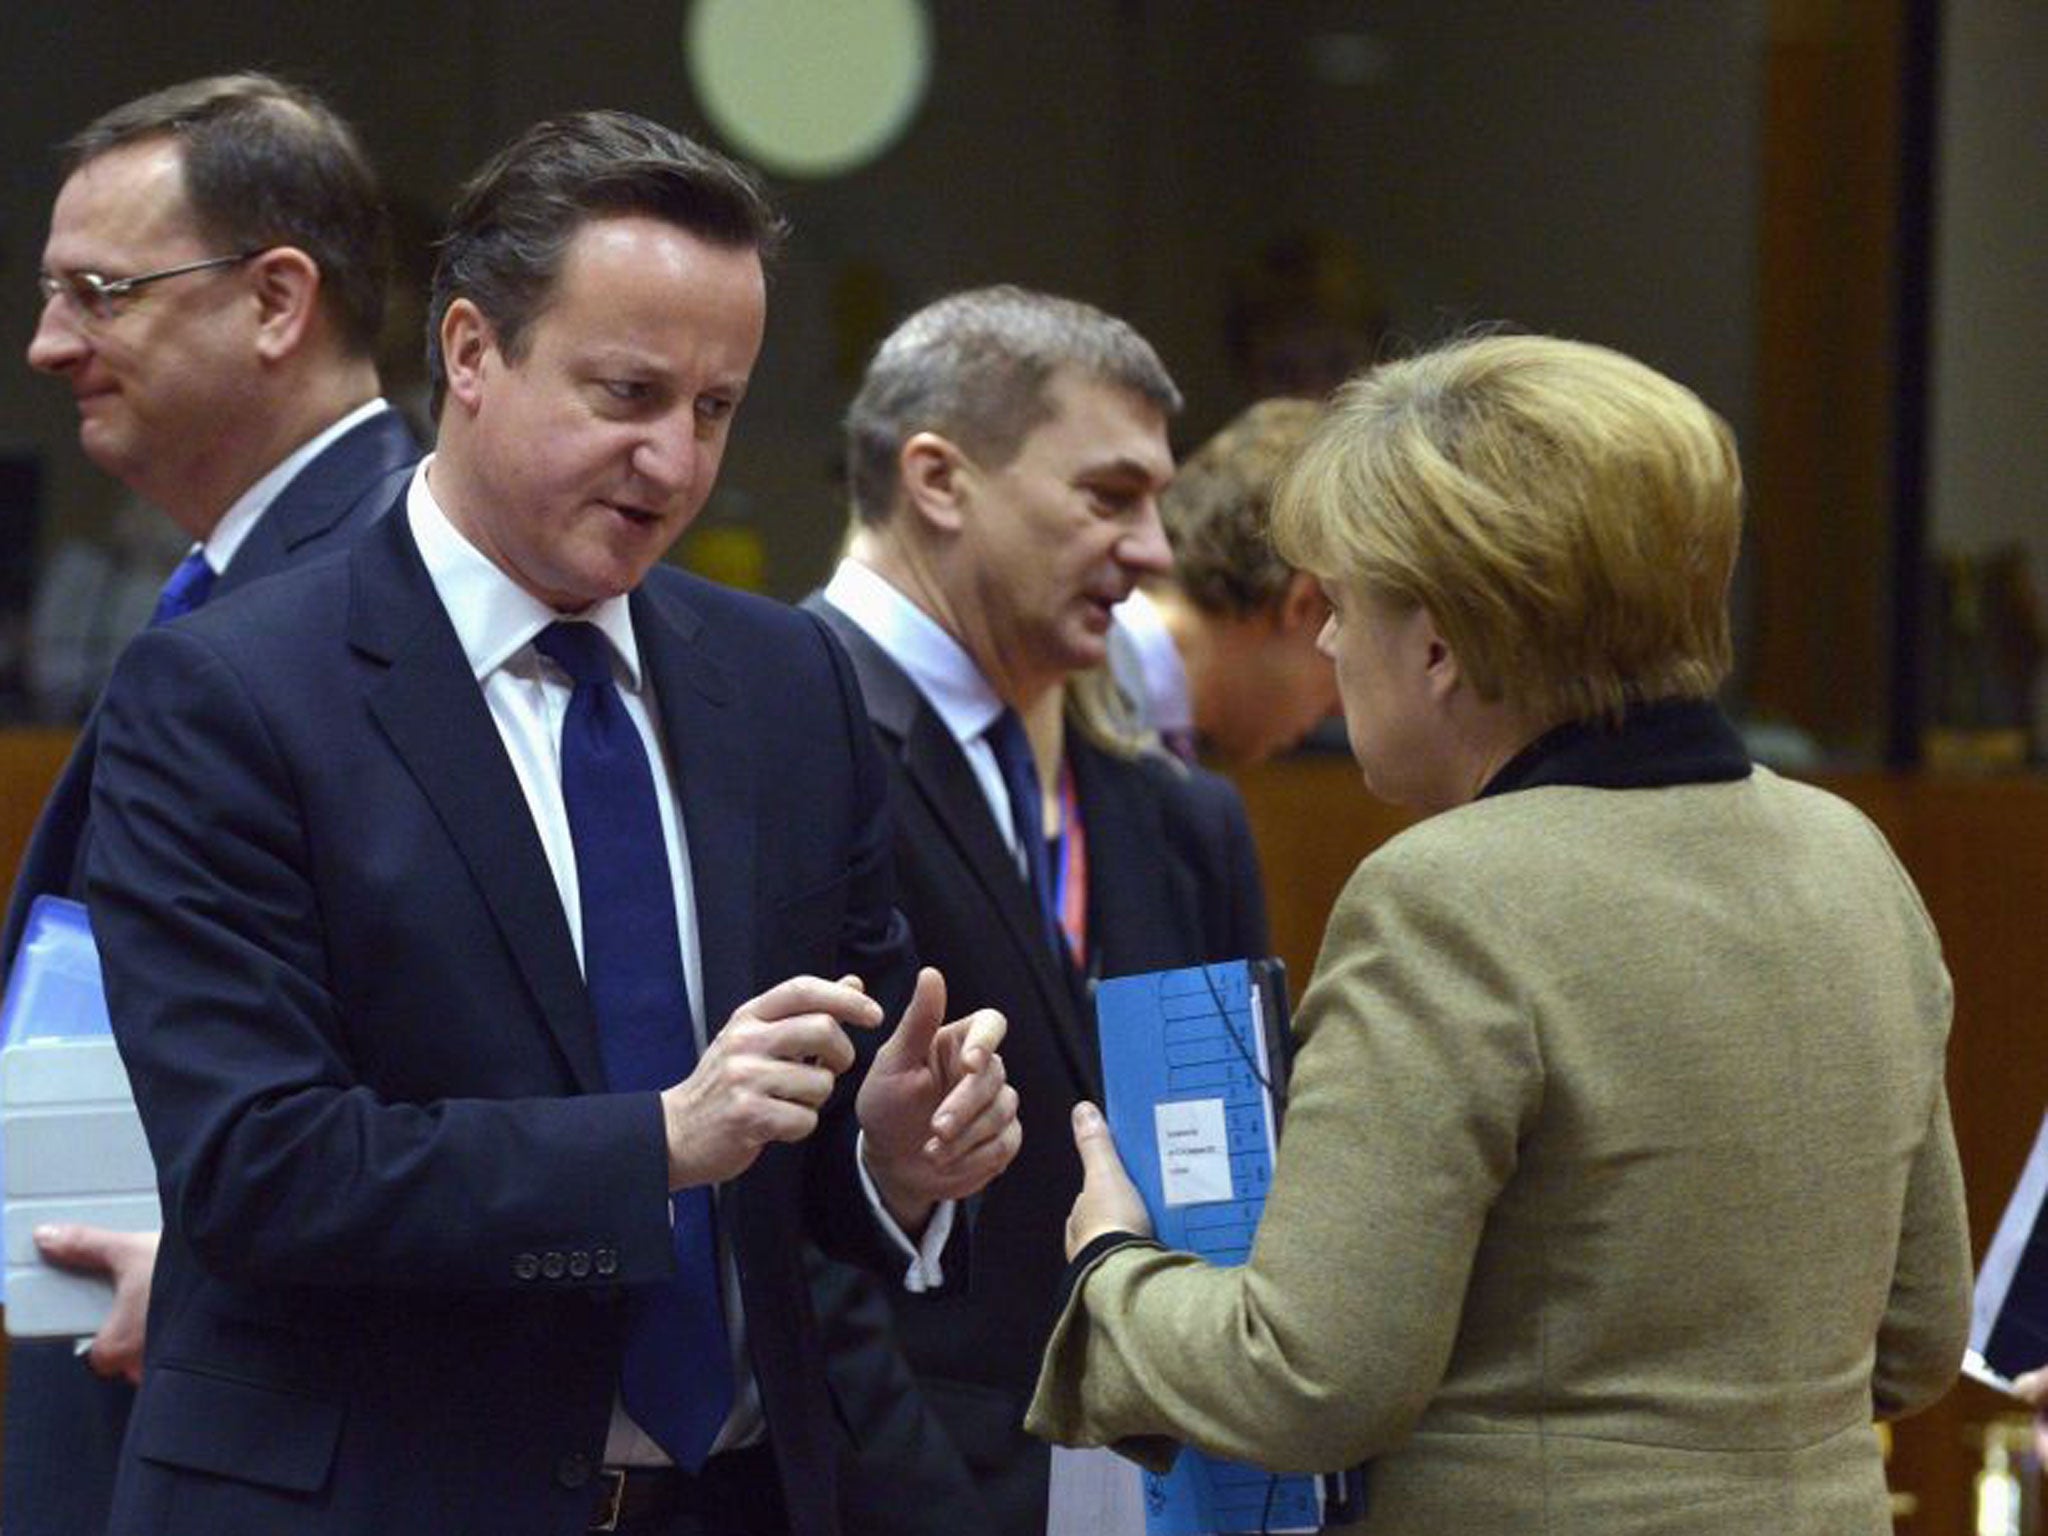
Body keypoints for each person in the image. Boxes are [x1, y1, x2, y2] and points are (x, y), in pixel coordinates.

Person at [83, 110, 1019, 1536]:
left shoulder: (785, 682)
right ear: (470, 354)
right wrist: (652, 1140)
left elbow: (797, 1138)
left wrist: (893, 1154)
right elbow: (258, 1168)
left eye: (715, 409)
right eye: (627, 394)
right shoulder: (229, 693)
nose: (674, 463)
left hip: (740, 1498)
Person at [1026, 333, 1972, 1534]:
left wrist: (1110, 1273)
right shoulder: (1850, 858)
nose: (1323, 641)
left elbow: (1310, 1376)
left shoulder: (1447, 898)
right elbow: (1916, 1337)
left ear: (1438, 647)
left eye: (1346, 604)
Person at [5, 72, 421, 1536]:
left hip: (281, 1414)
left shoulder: (393, 597)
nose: (50, 346)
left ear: (275, 299)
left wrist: (211, 1259)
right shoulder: (249, 581)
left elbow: (457, 1035)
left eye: (98, 295)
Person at [809, 285, 1269, 1536]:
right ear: (938, 480)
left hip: (1179, 1485)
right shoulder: (763, 734)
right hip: (904, 1496)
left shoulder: (1177, 817)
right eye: (1108, 497)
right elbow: (767, 1215)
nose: (1157, 550)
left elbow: (1234, 1177)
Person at [1112, 397, 1338, 763]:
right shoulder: (1061, 686)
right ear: (1303, 603)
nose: (1339, 710)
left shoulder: (1146, 725)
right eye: (1351, 624)